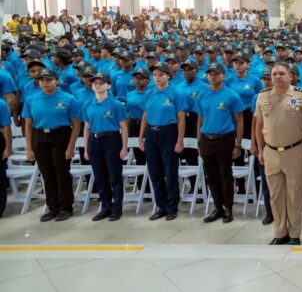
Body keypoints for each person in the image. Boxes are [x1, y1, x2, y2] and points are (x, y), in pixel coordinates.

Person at [254, 62, 302, 245]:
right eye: (274, 74)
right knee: (275, 194)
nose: (278, 77)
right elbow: (258, 125)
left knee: (294, 194)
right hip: (271, 151)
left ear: (290, 76)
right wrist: (260, 149)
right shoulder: (262, 97)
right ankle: (280, 232)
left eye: (282, 73)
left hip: (294, 150)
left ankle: (295, 233)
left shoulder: (301, 96)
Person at [23, 69, 81, 221]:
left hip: (61, 135)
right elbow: (28, 125)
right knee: (47, 174)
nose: (44, 82)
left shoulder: (68, 99)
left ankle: (66, 207)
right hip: (40, 135)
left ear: (56, 81)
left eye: (48, 80)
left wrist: (71, 146)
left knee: (61, 172)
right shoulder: (32, 99)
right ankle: (52, 207)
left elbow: (76, 125)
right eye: (42, 80)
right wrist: (29, 147)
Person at [195, 62, 244, 224]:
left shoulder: (232, 95)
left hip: (225, 139)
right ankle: (217, 207)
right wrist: (199, 141)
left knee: (225, 175)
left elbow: (239, 121)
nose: (212, 76)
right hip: (206, 139)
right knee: (211, 176)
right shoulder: (203, 95)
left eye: (216, 73)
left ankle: (228, 208)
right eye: (210, 74)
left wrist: (238, 144)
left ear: (223, 75)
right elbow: (200, 119)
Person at [138, 62, 186, 221]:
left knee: (170, 172)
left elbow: (180, 118)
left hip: (168, 132)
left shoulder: (176, 93)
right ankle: (161, 206)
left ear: (168, 76)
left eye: (161, 74)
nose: (157, 78)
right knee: (155, 172)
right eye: (155, 75)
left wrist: (180, 140)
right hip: (152, 133)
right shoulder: (150, 93)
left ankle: (172, 206)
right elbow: (145, 116)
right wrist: (141, 137)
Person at [81, 72, 128, 221]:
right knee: (100, 176)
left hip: (111, 139)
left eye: (101, 83)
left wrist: (124, 147)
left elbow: (124, 127)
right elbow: (86, 127)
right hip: (95, 140)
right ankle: (105, 207)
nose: (98, 86)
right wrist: (86, 147)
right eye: (95, 83)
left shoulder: (115, 104)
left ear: (108, 85)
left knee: (114, 176)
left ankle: (117, 208)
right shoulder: (88, 104)